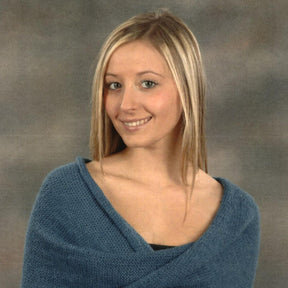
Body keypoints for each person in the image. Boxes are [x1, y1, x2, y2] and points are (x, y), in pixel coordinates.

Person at [21, 9, 260, 288]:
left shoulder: (238, 218)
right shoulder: (65, 195)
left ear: (187, 90)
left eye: (147, 83)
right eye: (114, 85)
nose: (125, 105)